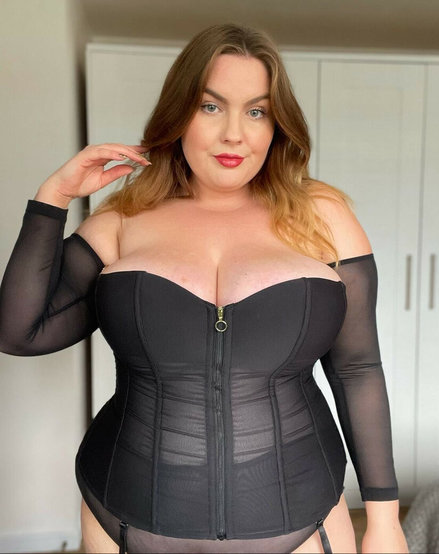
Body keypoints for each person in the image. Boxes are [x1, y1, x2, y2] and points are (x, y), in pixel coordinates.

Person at [0, 23, 409, 554]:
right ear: (178, 115)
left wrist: (384, 520)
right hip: (123, 516)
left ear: (277, 124)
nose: (234, 134)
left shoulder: (323, 217)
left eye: (256, 111)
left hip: (302, 520)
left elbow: (357, 369)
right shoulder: (122, 220)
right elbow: (20, 332)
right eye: (211, 107)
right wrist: (53, 198)